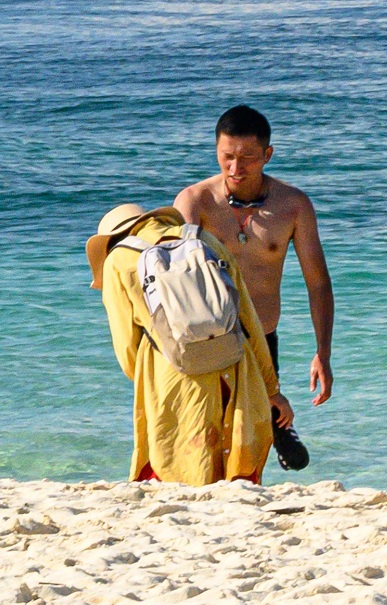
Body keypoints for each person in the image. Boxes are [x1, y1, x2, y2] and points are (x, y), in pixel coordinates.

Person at [85, 201, 288, 483]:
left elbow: (127, 347)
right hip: (235, 363)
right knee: (233, 469)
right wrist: (270, 388)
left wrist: (147, 378)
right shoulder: (203, 239)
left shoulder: (118, 262)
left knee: (182, 463)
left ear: (111, 241)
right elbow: (248, 318)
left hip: (174, 371)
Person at [177, 104, 332, 472]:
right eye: (226, 156)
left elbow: (318, 283)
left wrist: (322, 352)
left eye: (246, 158)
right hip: (208, 337)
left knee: (254, 444)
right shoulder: (194, 201)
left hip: (263, 337)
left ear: (267, 155)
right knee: (206, 436)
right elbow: (173, 276)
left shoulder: (293, 206)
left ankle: (274, 429)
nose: (234, 169)